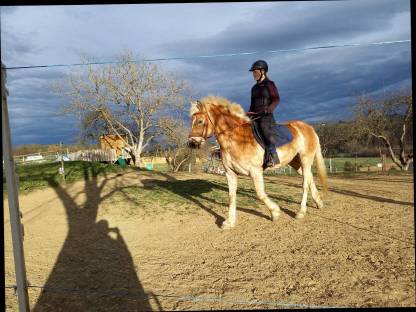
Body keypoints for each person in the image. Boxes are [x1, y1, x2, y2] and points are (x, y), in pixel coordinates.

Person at [247, 60, 280, 167]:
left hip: (266, 116)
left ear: (262, 71)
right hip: (255, 116)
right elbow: (252, 105)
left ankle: (273, 156)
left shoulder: (270, 85)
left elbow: (276, 100)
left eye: (255, 72)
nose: (253, 74)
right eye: (253, 72)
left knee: (265, 129)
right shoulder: (254, 88)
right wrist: (248, 114)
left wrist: (268, 110)